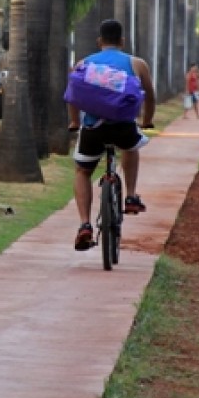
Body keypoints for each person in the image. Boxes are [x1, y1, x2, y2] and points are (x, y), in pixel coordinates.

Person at [68, 19, 156, 251]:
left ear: (99, 42)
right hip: (123, 127)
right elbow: (150, 96)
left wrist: (75, 122)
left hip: (93, 129)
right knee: (131, 145)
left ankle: (85, 224)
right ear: (122, 41)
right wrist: (147, 121)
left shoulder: (85, 63)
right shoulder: (136, 63)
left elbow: (72, 95)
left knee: (82, 171)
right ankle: (131, 196)